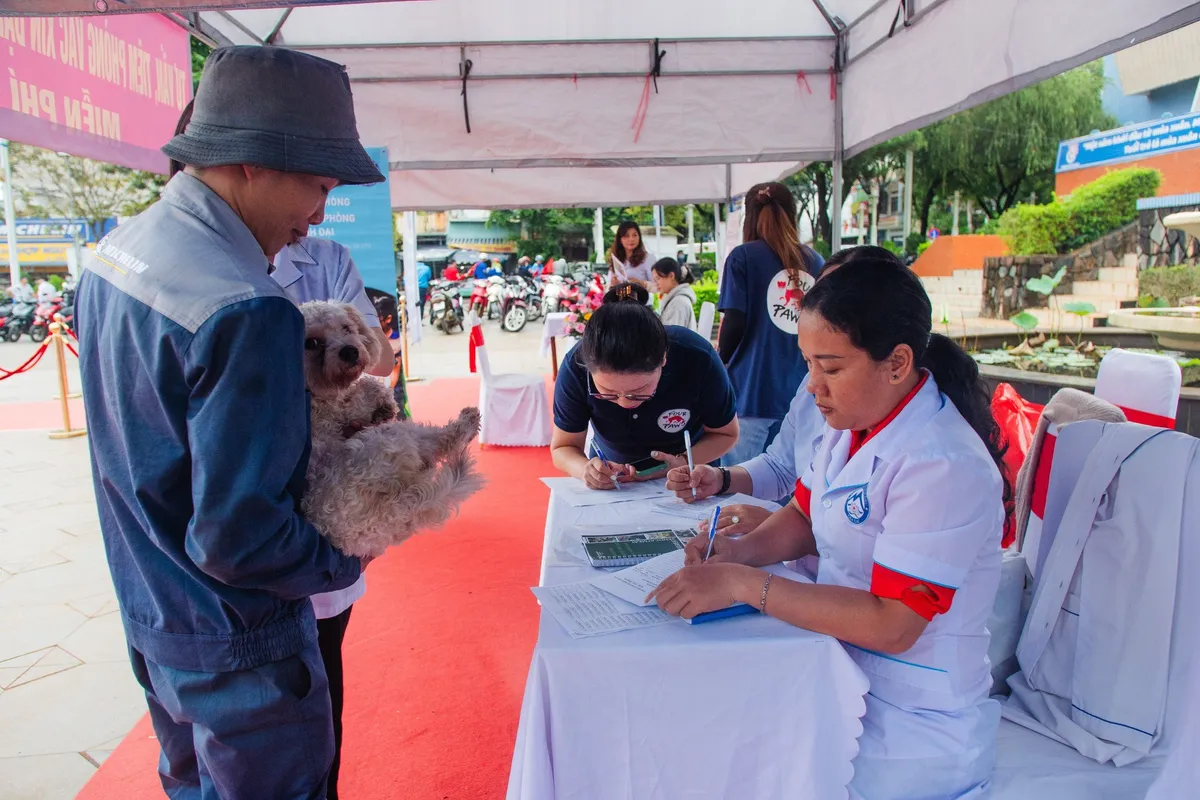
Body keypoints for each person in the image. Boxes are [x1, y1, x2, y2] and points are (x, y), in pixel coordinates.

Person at [75, 46, 382, 798]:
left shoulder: (116, 256)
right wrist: (353, 552)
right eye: (317, 185)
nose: (316, 217)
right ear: (252, 162)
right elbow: (241, 534)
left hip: (156, 613)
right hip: (239, 644)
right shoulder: (248, 307)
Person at [651, 255, 1008, 800]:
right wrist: (735, 553)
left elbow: (894, 624)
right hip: (837, 669)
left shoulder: (942, 464)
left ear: (897, 362)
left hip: (911, 716)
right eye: (808, 364)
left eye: (832, 368)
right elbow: (804, 518)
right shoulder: (852, 423)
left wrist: (743, 585)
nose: (813, 387)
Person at [671, 246, 902, 533]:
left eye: (831, 368)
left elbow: (856, 548)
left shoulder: (930, 457)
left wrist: (781, 530)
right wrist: (721, 479)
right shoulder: (816, 395)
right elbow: (783, 467)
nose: (813, 384)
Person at [551, 282, 740, 488]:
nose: (624, 403)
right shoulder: (576, 365)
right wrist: (585, 470)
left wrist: (684, 461)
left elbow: (726, 433)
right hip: (612, 475)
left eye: (638, 393)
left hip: (690, 475)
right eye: (608, 394)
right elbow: (563, 447)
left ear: (664, 360)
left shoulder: (698, 358)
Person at [719, 182, 825, 467]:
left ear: (749, 218)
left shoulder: (742, 258)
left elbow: (734, 322)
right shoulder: (815, 262)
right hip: (804, 391)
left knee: (737, 487)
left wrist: (720, 363)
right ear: (792, 214)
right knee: (790, 488)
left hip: (751, 391)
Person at [651, 257, 697, 329]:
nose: (655, 283)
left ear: (671, 276)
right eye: (654, 280)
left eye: (658, 278)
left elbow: (673, 337)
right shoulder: (675, 300)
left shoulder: (678, 303)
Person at [608, 221, 652, 292]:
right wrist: (613, 285)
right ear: (620, 240)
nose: (631, 239)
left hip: (642, 302)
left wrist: (641, 283)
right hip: (621, 302)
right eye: (626, 236)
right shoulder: (616, 259)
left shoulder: (648, 258)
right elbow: (608, 287)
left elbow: (657, 286)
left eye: (635, 235)